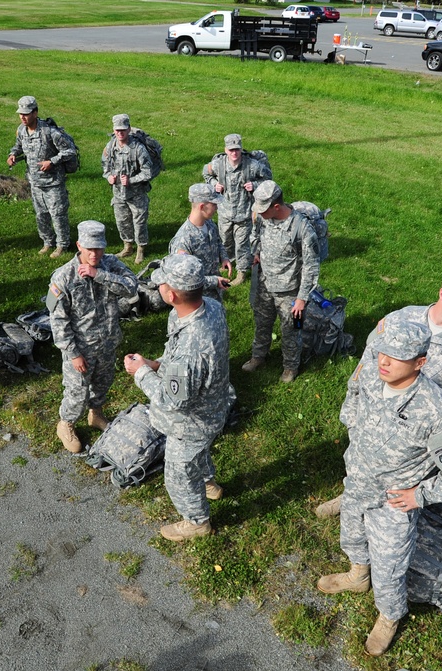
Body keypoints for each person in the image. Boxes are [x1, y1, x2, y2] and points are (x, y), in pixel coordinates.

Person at [317, 312, 442, 657]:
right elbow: (355, 389)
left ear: (420, 362)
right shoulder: (376, 375)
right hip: (357, 484)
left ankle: (389, 616)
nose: (385, 362)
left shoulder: (436, 411)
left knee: (390, 568)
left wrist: (420, 494)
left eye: (397, 358)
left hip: (393, 502)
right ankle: (357, 576)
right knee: (352, 538)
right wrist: (351, 423)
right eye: (382, 354)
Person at [315, 262, 442, 518]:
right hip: (376, 412)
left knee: (397, 496)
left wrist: (436, 430)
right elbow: (367, 364)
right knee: (362, 467)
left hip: (415, 431)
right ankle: (350, 498)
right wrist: (352, 415)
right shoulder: (402, 319)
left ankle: (396, 520)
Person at [123, 254, 232, 541]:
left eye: (161, 285)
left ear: (171, 294)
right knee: (199, 453)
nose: (158, 288)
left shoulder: (193, 346)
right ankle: (208, 482)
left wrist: (141, 372)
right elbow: (180, 362)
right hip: (212, 407)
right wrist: (157, 364)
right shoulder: (210, 308)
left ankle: (197, 522)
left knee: (179, 473)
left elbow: (173, 399)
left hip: (192, 421)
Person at [47, 221, 139, 453]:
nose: (95, 253)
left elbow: (131, 287)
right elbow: (56, 320)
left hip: (108, 341)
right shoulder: (62, 277)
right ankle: (65, 423)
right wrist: (73, 353)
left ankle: (95, 414)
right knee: (77, 391)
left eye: (99, 248)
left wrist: (100, 275)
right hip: (81, 348)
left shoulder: (109, 265)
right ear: (79, 245)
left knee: (103, 382)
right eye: (89, 249)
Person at [241, 180, 320, 383]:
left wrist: (302, 299)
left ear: (276, 206)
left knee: (291, 331)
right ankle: (259, 356)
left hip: (291, 292)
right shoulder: (262, 218)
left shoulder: (302, 229)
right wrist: (256, 252)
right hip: (265, 284)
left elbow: (311, 267)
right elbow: (254, 236)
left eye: (263, 209)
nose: (259, 213)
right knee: (262, 323)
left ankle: (290, 367)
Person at [7, 95, 76, 257]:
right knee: (41, 215)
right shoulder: (22, 130)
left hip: (53, 182)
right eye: (20, 114)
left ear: (35, 113)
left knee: (58, 214)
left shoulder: (49, 132)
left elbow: (69, 150)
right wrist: (13, 155)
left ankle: (62, 245)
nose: (23, 117)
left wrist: (52, 161)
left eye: (26, 113)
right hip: (35, 182)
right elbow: (18, 146)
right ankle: (47, 242)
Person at [202, 133, 271, 286]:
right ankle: (227, 263)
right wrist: (214, 184)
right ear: (226, 150)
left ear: (241, 149)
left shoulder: (252, 166)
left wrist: (255, 185)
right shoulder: (218, 164)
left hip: (244, 214)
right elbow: (205, 172)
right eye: (231, 150)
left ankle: (241, 271)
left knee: (242, 244)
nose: (234, 153)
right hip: (224, 212)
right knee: (225, 240)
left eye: (237, 150)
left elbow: (268, 179)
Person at [101, 113, 153, 264]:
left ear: (129, 129)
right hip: (118, 194)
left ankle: (140, 249)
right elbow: (105, 165)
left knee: (139, 222)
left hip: (137, 194)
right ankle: (127, 246)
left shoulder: (138, 149)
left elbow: (147, 172)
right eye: (117, 130)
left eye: (123, 130)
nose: (120, 133)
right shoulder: (110, 147)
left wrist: (132, 180)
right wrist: (109, 176)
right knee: (122, 221)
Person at [168, 183, 232, 301]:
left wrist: (224, 257)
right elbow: (186, 277)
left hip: (215, 292)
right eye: (214, 204)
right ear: (202, 206)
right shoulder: (184, 240)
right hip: (197, 299)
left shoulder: (209, 224)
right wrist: (214, 281)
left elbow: (217, 241)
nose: (216, 208)